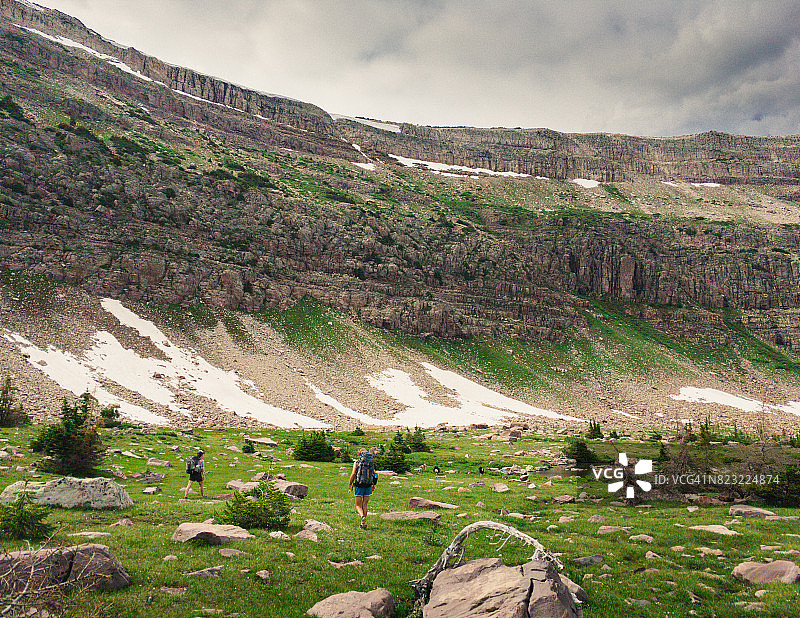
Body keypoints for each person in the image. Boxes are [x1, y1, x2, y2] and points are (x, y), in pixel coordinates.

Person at [349, 448, 377, 529]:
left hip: (359, 485)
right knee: (365, 505)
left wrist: (350, 483)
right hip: (368, 485)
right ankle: (363, 523)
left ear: (359, 455)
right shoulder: (370, 463)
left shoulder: (357, 463)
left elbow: (353, 473)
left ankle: (362, 517)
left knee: (358, 505)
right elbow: (375, 474)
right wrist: (373, 484)